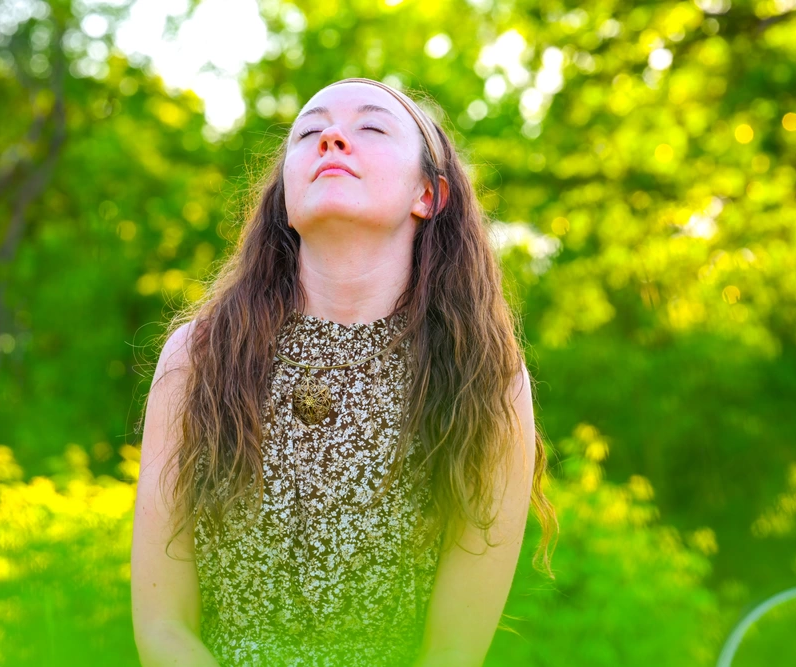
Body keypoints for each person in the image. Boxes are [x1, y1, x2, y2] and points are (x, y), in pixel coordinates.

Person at [130, 77, 558, 667]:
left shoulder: (485, 382)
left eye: (372, 127)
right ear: (284, 197)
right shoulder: (195, 358)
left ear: (428, 195)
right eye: (308, 132)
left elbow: (454, 652)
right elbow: (161, 628)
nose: (331, 137)